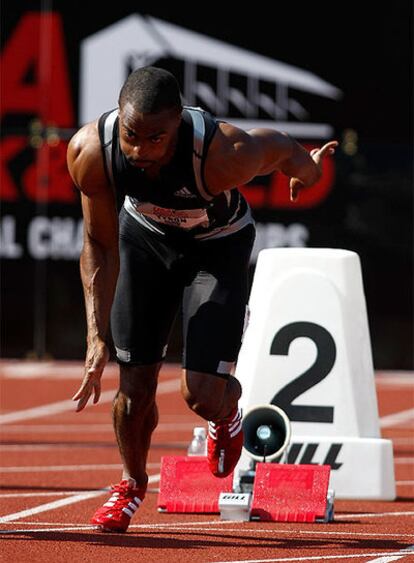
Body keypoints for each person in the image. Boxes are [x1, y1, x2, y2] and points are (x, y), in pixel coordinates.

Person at [67, 66, 337, 533]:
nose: (141, 150)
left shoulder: (222, 152)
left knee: (200, 394)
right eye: (133, 134)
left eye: (157, 138)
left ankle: (227, 413)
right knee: (132, 389)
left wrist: (309, 170)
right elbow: (100, 244)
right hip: (146, 242)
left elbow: (281, 148)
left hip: (216, 246)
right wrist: (96, 337)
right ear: (118, 116)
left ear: (177, 124)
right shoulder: (93, 151)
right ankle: (130, 485)